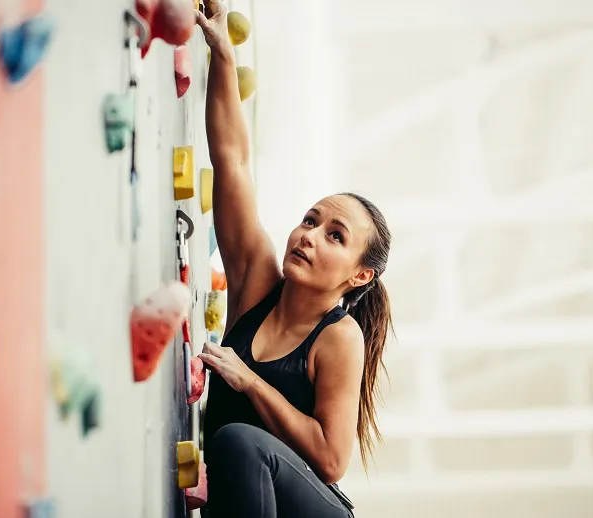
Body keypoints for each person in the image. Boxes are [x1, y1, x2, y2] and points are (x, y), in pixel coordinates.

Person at [194, 3, 392, 517]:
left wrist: (250, 382)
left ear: (359, 274)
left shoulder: (339, 337)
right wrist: (221, 54)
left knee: (239, 441)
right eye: (309, 220)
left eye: (334, 235)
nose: (309, 236)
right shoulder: (257, 279)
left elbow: (330, 460)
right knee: (235, 445)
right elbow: (232, 163)